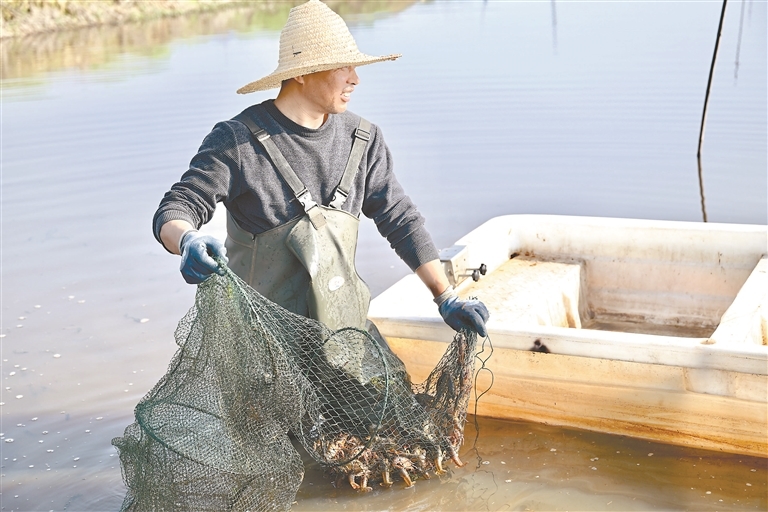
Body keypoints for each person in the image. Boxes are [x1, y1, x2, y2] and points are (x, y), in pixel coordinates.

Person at [153, 0, 488, 338]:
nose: (355, 79)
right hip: (261, 342)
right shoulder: (237, 142)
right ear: (301, 72)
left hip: (341, 334)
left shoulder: (363, 140)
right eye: (343, 67)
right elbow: (175, 209)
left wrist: (446, 297)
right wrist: (187, 239)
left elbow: (401, 220)